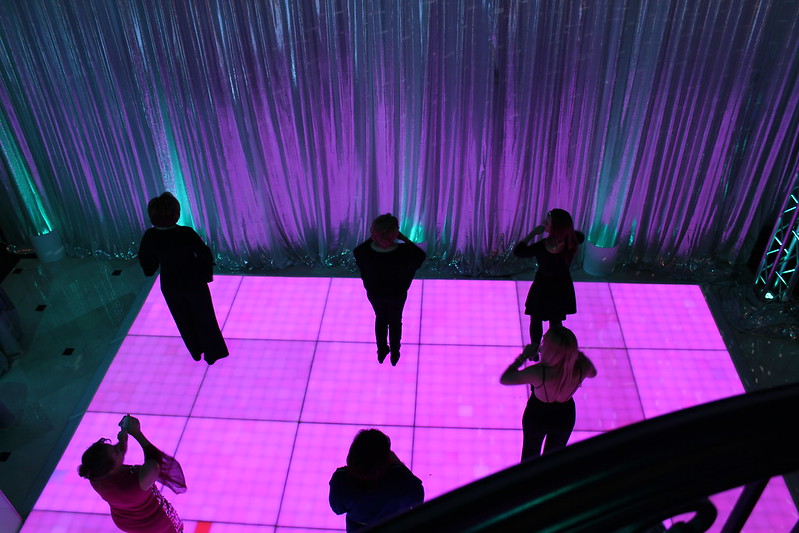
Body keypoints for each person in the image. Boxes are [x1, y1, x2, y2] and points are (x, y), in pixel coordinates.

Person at [138, 192, 229, 364]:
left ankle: (196, 350)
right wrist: (205, 275)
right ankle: (213, 353)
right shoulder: (186, 233)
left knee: (183, 319)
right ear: (176, 214)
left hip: (170, 283)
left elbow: (146, 260)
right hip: (194, 281)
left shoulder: (150, 236)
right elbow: (204, 254)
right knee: (205, 317)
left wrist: (150, 270)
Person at [500, 326, 597, 460]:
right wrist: (575, 354)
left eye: (544, 343)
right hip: (565, 415)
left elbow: (506, 379)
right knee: (554, 459)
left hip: (537, 415)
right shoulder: (582, 366)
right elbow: (593, 373)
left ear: (550, 350)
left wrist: (522, 357)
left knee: (530, 454)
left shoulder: (539, 372)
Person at [78, 415, 186, 532]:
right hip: (156, 523)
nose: (118, 447)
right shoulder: (136, 484)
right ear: (111, 469)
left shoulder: (95, 474)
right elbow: (155, 462)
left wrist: (123, 439)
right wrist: (137, 433)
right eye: (116, 450)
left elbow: (116, 460)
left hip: (127, 521)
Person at [353, 214, 425, 366]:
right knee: (395, 321)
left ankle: (381, 351)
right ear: (395, 233)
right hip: (397, 294)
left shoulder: (363, 252)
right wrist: (403, 238)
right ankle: (395, 352)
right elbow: (420, 255)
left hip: (375, 294)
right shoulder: (404, 252)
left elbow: (359, 253)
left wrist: (376, 237)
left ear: (374, 233)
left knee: (380, 319)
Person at [513, 208, 584, 352]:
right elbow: (580, 236)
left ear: (554, 227)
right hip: (561, 285)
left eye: (547, 222)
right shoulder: (572, 241)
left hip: (543, 285)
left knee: (536, 317)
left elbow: (519, 251)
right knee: (556, 319)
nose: (544, 223)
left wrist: (533, 233)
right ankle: (554, 348)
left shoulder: (542, 246)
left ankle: (534, 348)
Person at [329, 429, 424, 531]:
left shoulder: (341, 479)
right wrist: (399, 465)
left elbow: (337, 509)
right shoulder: (401, 479)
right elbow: (418, 497)